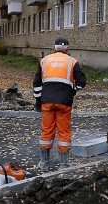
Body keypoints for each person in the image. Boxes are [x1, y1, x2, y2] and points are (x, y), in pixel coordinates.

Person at [33, 37, 87, 171]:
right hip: (64, 102)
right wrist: (73, 90)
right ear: (68, 49)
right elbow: (81, 82)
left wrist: (38, 101)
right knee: (64, 131)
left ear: (54, 48)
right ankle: (63, 165)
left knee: (47, 130)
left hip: (47, 102)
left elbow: (37, 84)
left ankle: (44, 164)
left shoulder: (44, 61)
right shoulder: (72, 62)